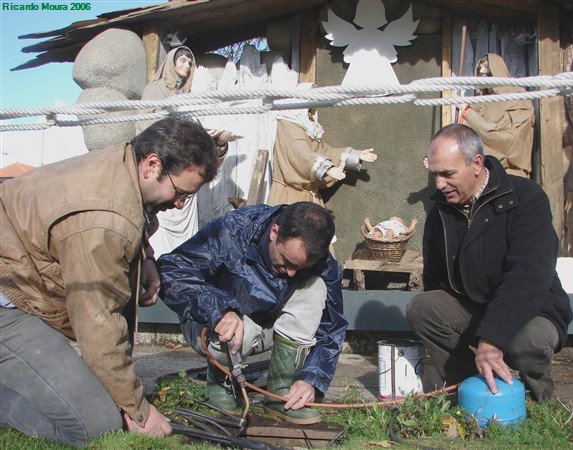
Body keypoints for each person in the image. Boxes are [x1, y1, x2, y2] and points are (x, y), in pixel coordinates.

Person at [0, 117, 218, 446]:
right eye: (180, 193)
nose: (178, 204)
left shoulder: (123, 160)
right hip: (7, 298)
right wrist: (140, 412)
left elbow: (135, 210)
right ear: (152, 164)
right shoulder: (104, 223)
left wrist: (144, 256)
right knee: (96, 425)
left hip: (20, 273)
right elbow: (97, 323)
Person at [406, 124, 572, 402]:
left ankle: (539, 398)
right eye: (434, 174)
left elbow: (528, 276)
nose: (439, 184)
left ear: (477, 164)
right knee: (423, 308)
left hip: (534, 310)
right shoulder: (440, 212)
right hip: (475, 306)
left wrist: (492, 339)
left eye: (447, 174)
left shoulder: (525, 198)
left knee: (524, 342)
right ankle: (468, 388)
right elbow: (436, 282)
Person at [157, 202, 347, 425]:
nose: (291, 272)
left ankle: (282, 391)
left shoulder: (323, 261)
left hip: (266, 325)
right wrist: (219, 309)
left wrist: (312, 380)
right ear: (274, 232)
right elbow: (171, 271)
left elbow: (331, 328)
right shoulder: (233, 229)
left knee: (315, 287)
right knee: (239, 331)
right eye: (286, 261)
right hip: (211, 324)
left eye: (301, 267)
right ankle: (222, 382)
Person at [136, 45, 234, 257]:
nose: (187, 65)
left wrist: (218, 143)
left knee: (185, 236)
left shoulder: (193, 95)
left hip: (184, 183)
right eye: (182, 60)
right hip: (166, 174)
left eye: (190, 62)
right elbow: (147, 132)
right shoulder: (156, 92)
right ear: (171, 63)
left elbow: (201, 157)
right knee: (160, 232)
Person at [266, 105, 377, 207]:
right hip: (288, 198)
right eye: (309, 110)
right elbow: (300, 154)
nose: (311, 115)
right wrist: (327, 168)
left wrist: (355, 155)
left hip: (310, 199)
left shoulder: (308, 128)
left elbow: (324, 152)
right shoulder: (289, 124)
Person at [457, 53, 535, 178]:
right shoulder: (479, 103)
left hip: (510, 175)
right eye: (479, 72)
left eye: (487, 71)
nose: (482, 73)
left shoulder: (518, 99)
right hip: (481, 176)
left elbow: (509, 142)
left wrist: (468, 113)